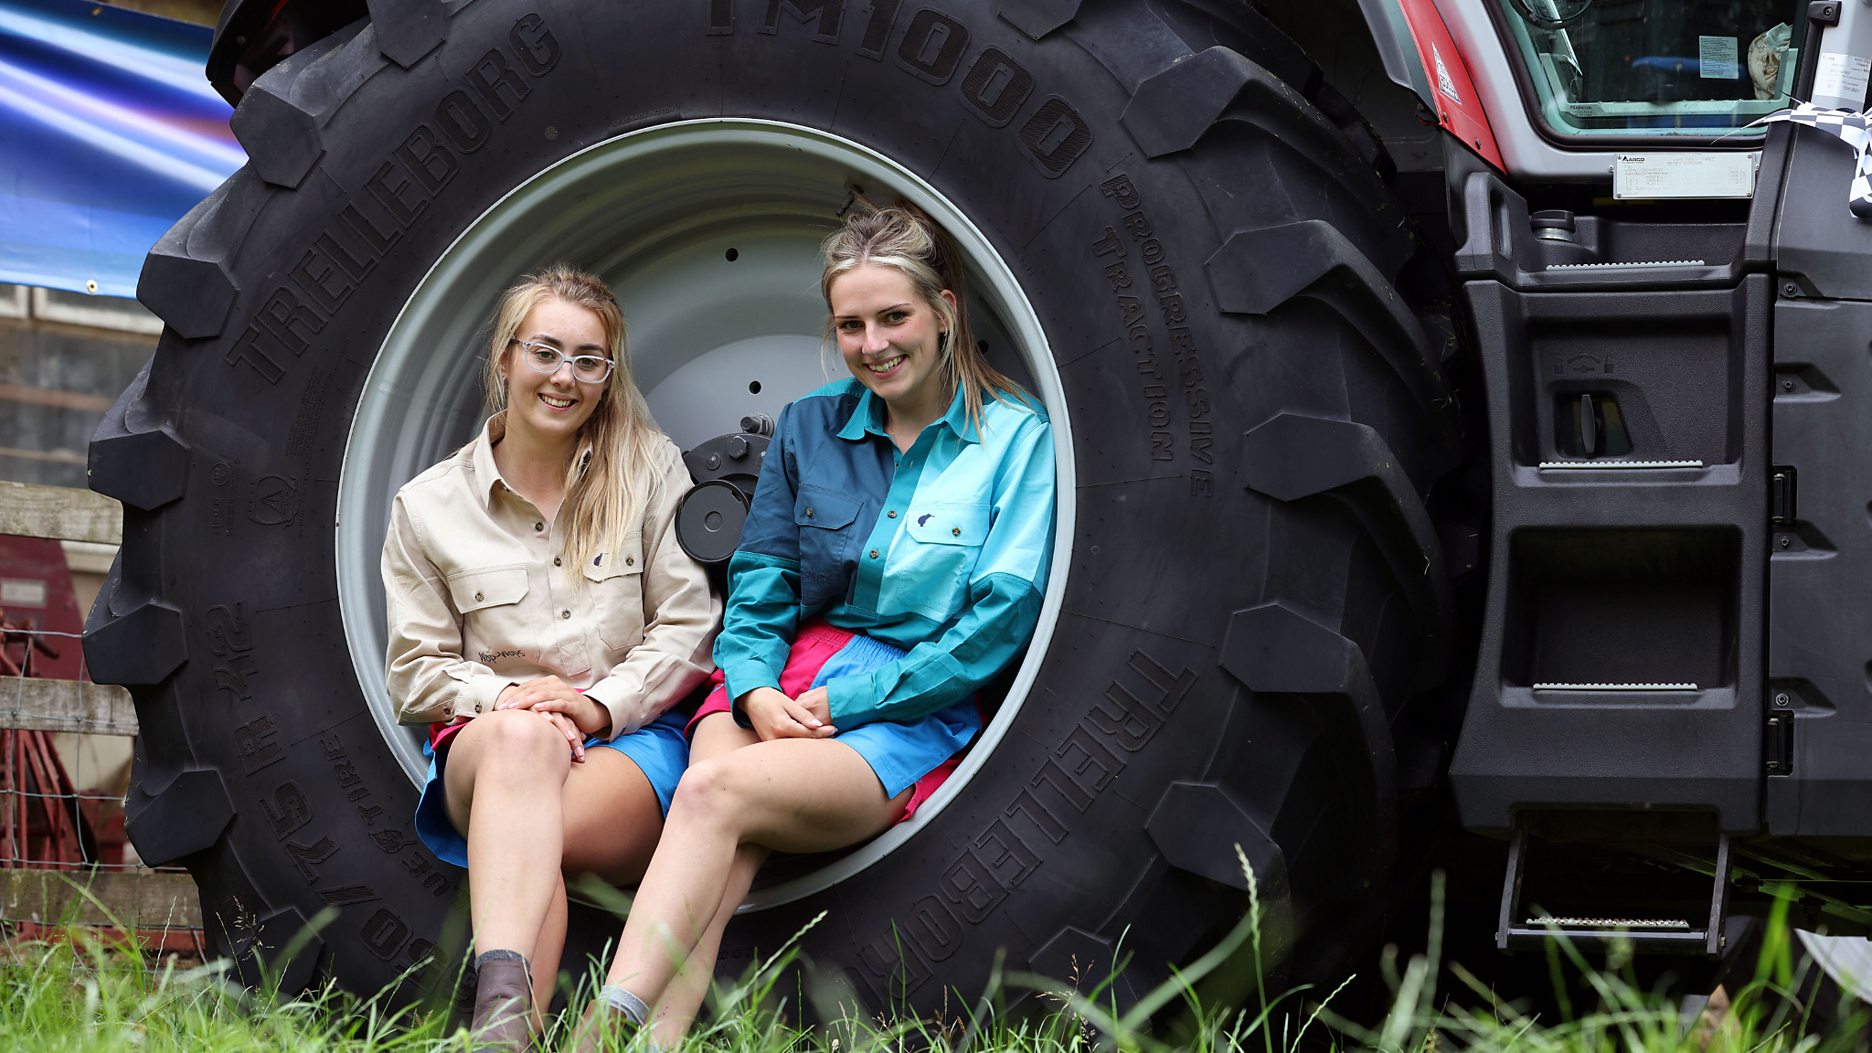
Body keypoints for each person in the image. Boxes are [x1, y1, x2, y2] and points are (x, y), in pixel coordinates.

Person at [579, 206, 1056, 1047]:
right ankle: (647, 1041)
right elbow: (762, 579)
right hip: (783, 672)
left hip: (905, 703)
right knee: (721, 844)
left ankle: (594, 1032)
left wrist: (851, 702)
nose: (872, 344)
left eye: (893, 317)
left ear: (945, 309)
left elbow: (996, 624)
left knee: (714, 796)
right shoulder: (810, 421)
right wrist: (756, 687)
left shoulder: (1017, 443)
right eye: (850, 324)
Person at [379, 264, 718, 1050]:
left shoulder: (647, 471)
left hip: (626, 746)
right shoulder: (428, 505)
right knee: (521, 746)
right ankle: (506, 1021)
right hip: (489, 745)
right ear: (504, 358)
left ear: (608, 373)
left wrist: (598, 705)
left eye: (588, 360)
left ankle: (501, 1024)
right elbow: (414, 667)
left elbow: (688, 627)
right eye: (545, 352)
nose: (565, 377)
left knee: (524, 832)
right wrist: (508, 702)